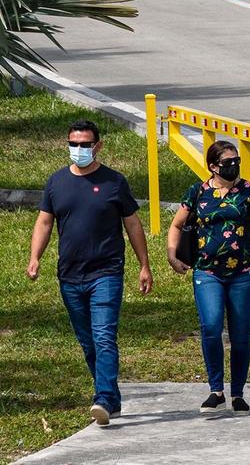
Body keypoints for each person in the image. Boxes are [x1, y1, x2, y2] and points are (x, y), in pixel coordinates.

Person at [26, 120, 153, 427]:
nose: (79, 150)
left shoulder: (114, 182)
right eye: (74, 144)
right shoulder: (56, 182)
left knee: (104, 336)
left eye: (85, 144)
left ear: (98, 146)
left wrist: (144, 265)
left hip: (106, 272)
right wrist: (35, 258)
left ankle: (104, 398)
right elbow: (44, 223)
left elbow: (132, 224)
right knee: (88, 342)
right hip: (70, 275)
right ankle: (112, 397)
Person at [167, 140, 250, 416]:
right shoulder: (198, 192)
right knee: (211, 327)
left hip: (243, 272)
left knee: (240, 335)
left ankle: (238, 393)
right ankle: (216, 390)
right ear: (213, 167)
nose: (234, 166)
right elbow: (177, 224)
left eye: (237, 160)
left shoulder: (248, 191)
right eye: (228, 162)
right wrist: (172, 254)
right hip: (207, 271)